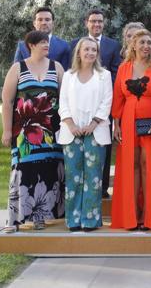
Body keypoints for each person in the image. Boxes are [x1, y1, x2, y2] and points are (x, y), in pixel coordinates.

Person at [1, 30, 65, 232]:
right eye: (42, 42)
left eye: (47, 42)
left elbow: (65, 99)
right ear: (31, 45)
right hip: (23, 130)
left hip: (51, 130)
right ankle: (15, 219)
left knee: (48, 170)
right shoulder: (17, 68)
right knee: (22, 170)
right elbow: (7, 101)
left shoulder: (57, 67)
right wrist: (6, 130)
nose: (47, 45)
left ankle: (41, 217)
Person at [110, 29, 151, 231]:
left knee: (149, 165)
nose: (146, 46)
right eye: (142, 42)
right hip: (128, 120)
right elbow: (118, 97)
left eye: (149, 43)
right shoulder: (123, 68)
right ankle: (132, 216)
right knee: (132, 164)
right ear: (133, 45)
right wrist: (116, 123)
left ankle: (149, 216)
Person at [58, 37, 112, 232]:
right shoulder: (69, 75)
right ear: (79, 52)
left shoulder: (104, 75)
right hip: (71, 132)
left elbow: (107, 102)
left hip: (95, 133)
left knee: (93, 178)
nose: (90, 53)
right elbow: (62, 102)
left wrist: (94, 123)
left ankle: (90, 220)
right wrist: (70, 123)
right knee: (73, 177)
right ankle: (73, 220)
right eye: (86, 49)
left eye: (94, 50)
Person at [71, 8, 122, 199]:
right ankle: (81, 185)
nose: (97, 24)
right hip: (79, 107)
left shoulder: (112, 45)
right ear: (87, 23)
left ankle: (101, 188)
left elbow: (116, 72)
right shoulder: (75, 44)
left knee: (103, 146)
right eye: (93, 21)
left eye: (100, 21)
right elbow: (72, 71)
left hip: (102, 104)